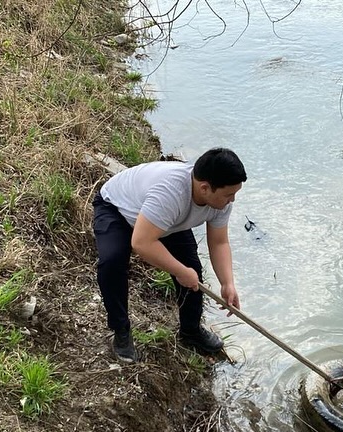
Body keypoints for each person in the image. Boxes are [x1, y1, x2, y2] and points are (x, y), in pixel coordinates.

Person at [92, 148, 247, 362]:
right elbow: (141, 242)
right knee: (112, 262)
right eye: (229, 195)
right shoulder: (170, 193)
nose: (232, 200)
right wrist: (180, 271)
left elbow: (219, 242)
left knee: (193, 269)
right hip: (117, 208)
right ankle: (121, 331)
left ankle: (190, 330)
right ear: (205, 188)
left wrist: (227, 283)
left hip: (164, 221)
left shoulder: (220, 201)